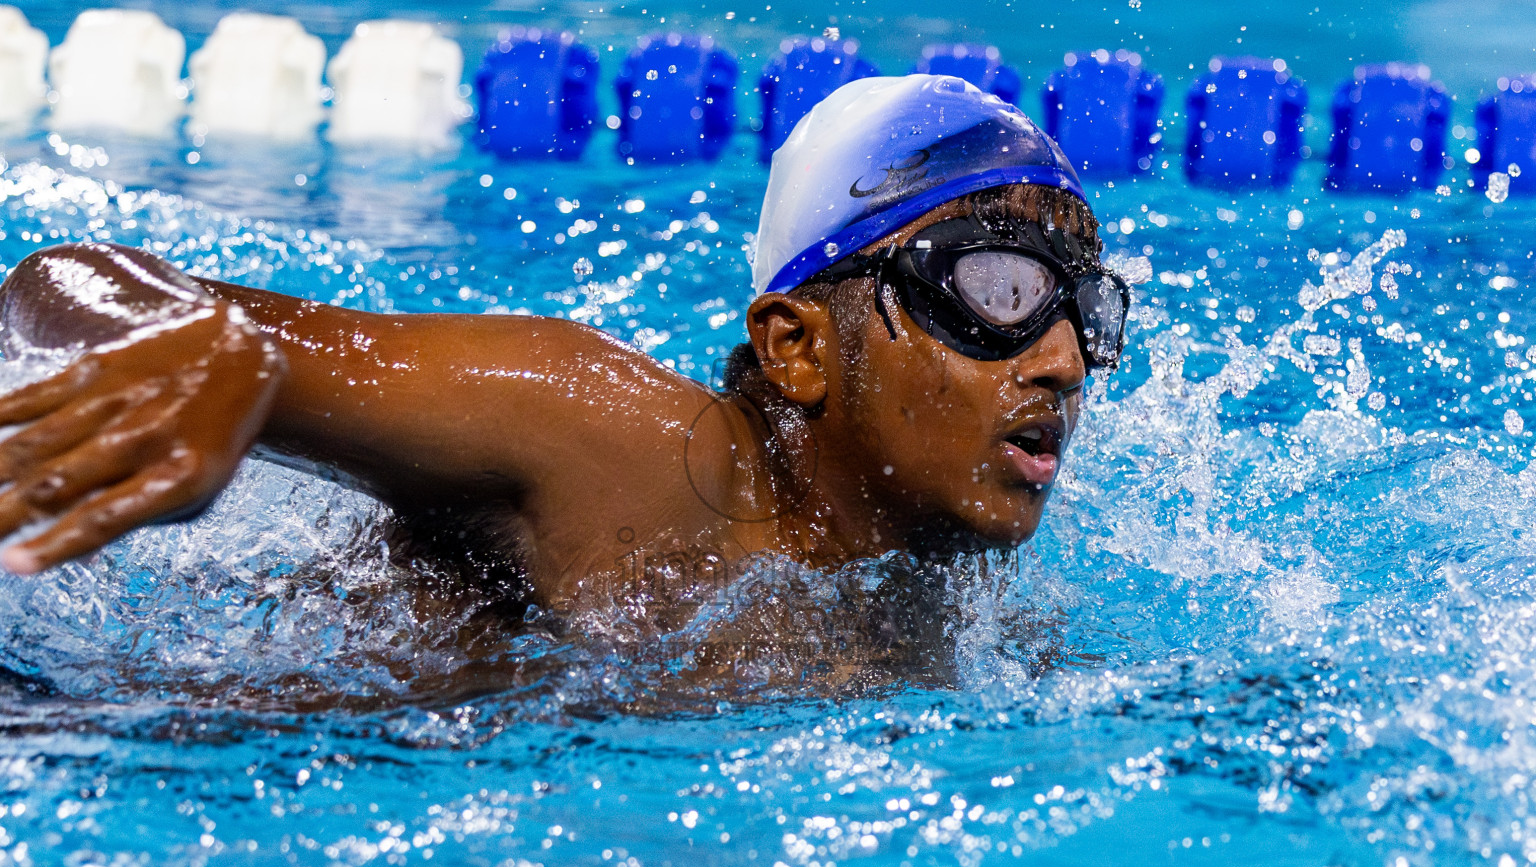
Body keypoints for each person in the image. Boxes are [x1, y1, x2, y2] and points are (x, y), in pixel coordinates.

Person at [0, 75, 1128, 613]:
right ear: (796, 349)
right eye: (1000, 288)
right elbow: (58, 280)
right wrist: (216, 356)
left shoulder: (938, 612)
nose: (1064, 359)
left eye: (1085, 308)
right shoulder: (608, 438)